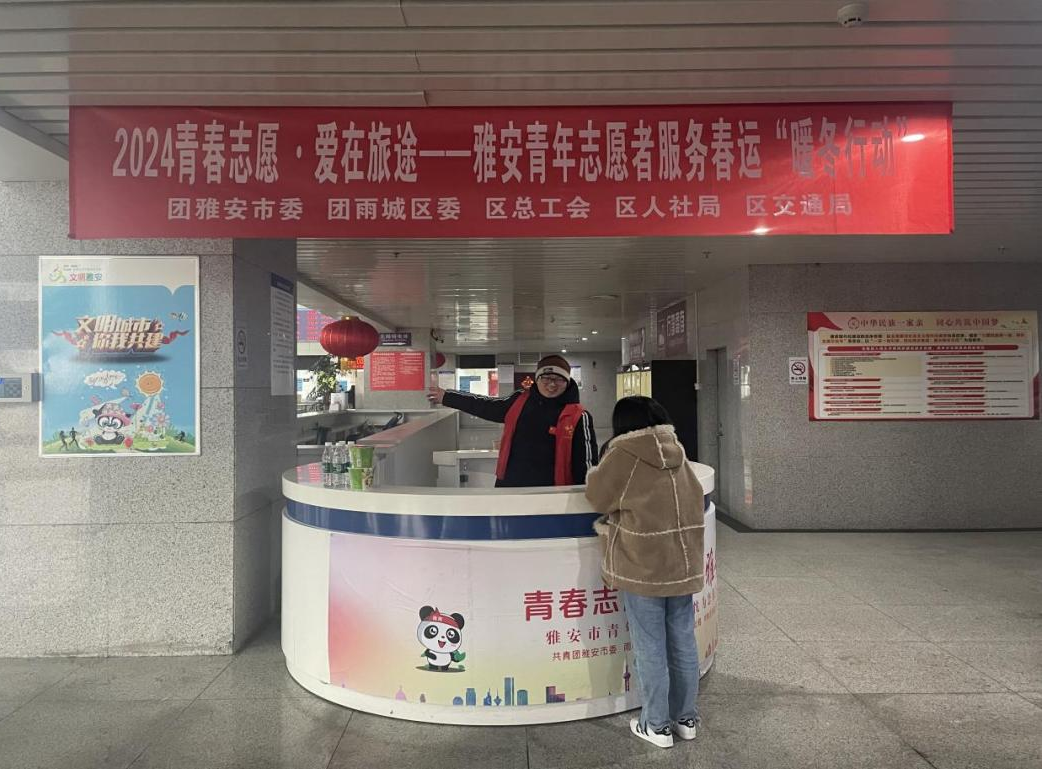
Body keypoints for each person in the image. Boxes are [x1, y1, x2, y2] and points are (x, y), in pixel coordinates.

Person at [585, 396, 705, 749]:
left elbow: (597, 497)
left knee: (650, 646)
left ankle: (657, 725)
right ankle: (686, 718)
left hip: (643, 565)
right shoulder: (676, 448)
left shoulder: (623, 453)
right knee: (683, 641)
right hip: (681, 563)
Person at [428, 355, 597, 487]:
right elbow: (485, 405)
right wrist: (448, 397)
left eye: (559, 379)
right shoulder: (519, 401)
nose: (552, 384)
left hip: (553, 493)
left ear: (567, 382)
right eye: (546, 378)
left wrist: (585, 498)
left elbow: (587, 464)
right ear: (537, 379)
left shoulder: (578, 416)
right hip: (510, 486)